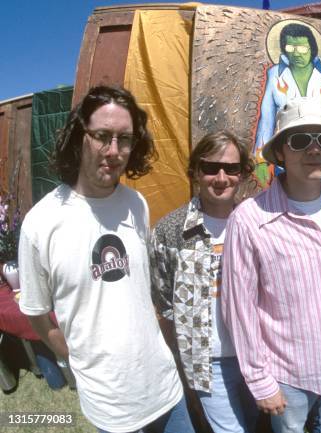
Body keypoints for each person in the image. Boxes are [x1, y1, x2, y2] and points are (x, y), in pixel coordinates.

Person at [18, 86, 193, 433]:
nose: (113, 151)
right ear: (79, 137)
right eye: (102, 136)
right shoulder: (41, 223)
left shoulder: (136, 204)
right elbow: (38, 314)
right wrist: (75, 357)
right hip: (109, 402)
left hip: (165, 387)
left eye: (124, 139)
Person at [222, 97, 321, 433]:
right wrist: (259, 380)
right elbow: (239, 308)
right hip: (288, 376)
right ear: (281, 151)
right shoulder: (249, 220)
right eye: (300, 140)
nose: (314, 149)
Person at [150, 130, 258, 433]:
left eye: (232, 168)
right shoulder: (170, 231)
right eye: (211, 168)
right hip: (207, 360)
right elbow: (165, 304)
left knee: (253, 423)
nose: (221, 178)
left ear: (243, 172)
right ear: (196, 171)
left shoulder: (258, 223)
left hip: (256, 355)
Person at [254, 22, 321, 190]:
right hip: (289, 165)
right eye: (290, 47)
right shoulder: (274, 76)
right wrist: (260, 160)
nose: (296, 54)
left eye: (302, 48)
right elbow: (267, 120)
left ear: (313, 48)